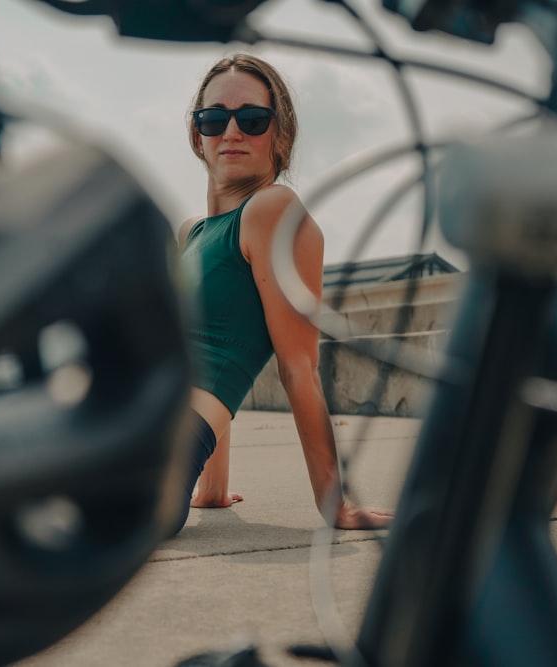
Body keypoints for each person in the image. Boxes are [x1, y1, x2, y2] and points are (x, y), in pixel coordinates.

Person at [172, 53, 393, 535]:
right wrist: (211, 488)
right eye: (213, 119)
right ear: (197, 136)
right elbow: (204, 349)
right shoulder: (190, 234)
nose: (230, 132)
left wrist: (337, 506)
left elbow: (300, 367)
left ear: (281, 136)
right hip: (129, 418)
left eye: (252, 119)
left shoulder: (274, 209)